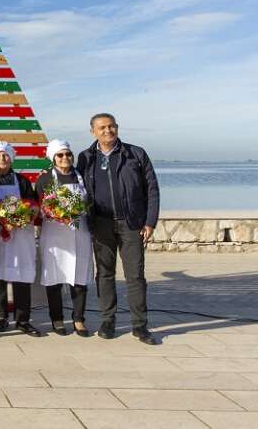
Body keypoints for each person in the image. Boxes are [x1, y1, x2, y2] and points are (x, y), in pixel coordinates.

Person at [77, 113, 160, 345]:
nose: (108, 131)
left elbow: (151, 189)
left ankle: (140, 326)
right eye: (102, 127)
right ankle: (108, 321)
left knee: (135, 276)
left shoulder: (136, 153)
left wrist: (150, 221)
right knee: (104, 274)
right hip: (101, 224)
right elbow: (77, 190)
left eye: (111, 126)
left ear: (117, 127)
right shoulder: (85, 158)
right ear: (92, 131)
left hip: (132, 224)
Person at [0, 141, 41, 336]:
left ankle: (23, 319)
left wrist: (18, 220)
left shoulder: (22, 181)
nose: (2, 159)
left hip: (20, 234)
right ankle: (1, 317)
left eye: (5, 155)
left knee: (21, 274)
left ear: (11, 157)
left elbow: (32, 205)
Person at [37, 140, 93, 337]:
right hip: (54, 234)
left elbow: (90, 202)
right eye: (60, 155)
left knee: (79, 278)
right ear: (53, 158)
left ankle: (79, 319)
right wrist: (53, 212)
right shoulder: (44, 179)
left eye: (68, 154)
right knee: (54, 277)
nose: (65, 158)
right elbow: (39, 206)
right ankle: (57, 319)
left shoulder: (82, 176)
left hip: (80, 233)